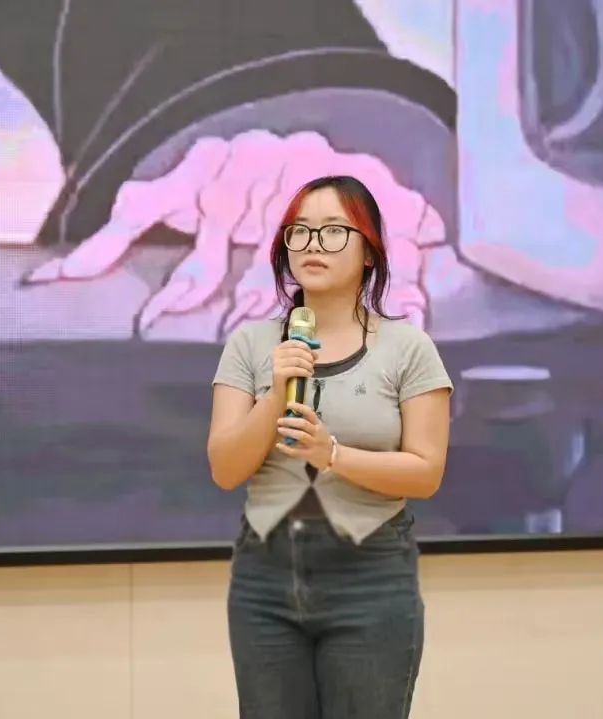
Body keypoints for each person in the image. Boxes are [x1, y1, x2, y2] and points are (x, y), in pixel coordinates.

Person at [207, 175, 453, 718]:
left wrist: (333, 455)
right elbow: (225, 468)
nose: (313, 244)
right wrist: (276, 394)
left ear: (370, 252)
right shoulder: (250, 344)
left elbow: (426, 472)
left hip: (371, 579)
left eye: (334, 231)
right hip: (266, 580)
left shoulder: (408, 348)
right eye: (300, 231)